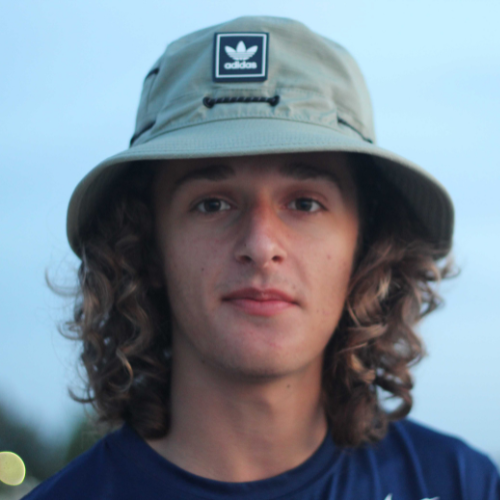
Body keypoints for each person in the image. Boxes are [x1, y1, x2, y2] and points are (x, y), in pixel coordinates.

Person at [25, 15, 500, 500]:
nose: (260, 245)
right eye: (212, 204)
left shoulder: (463, 485)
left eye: (305, 203)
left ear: (366, 245)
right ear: (145, 246)